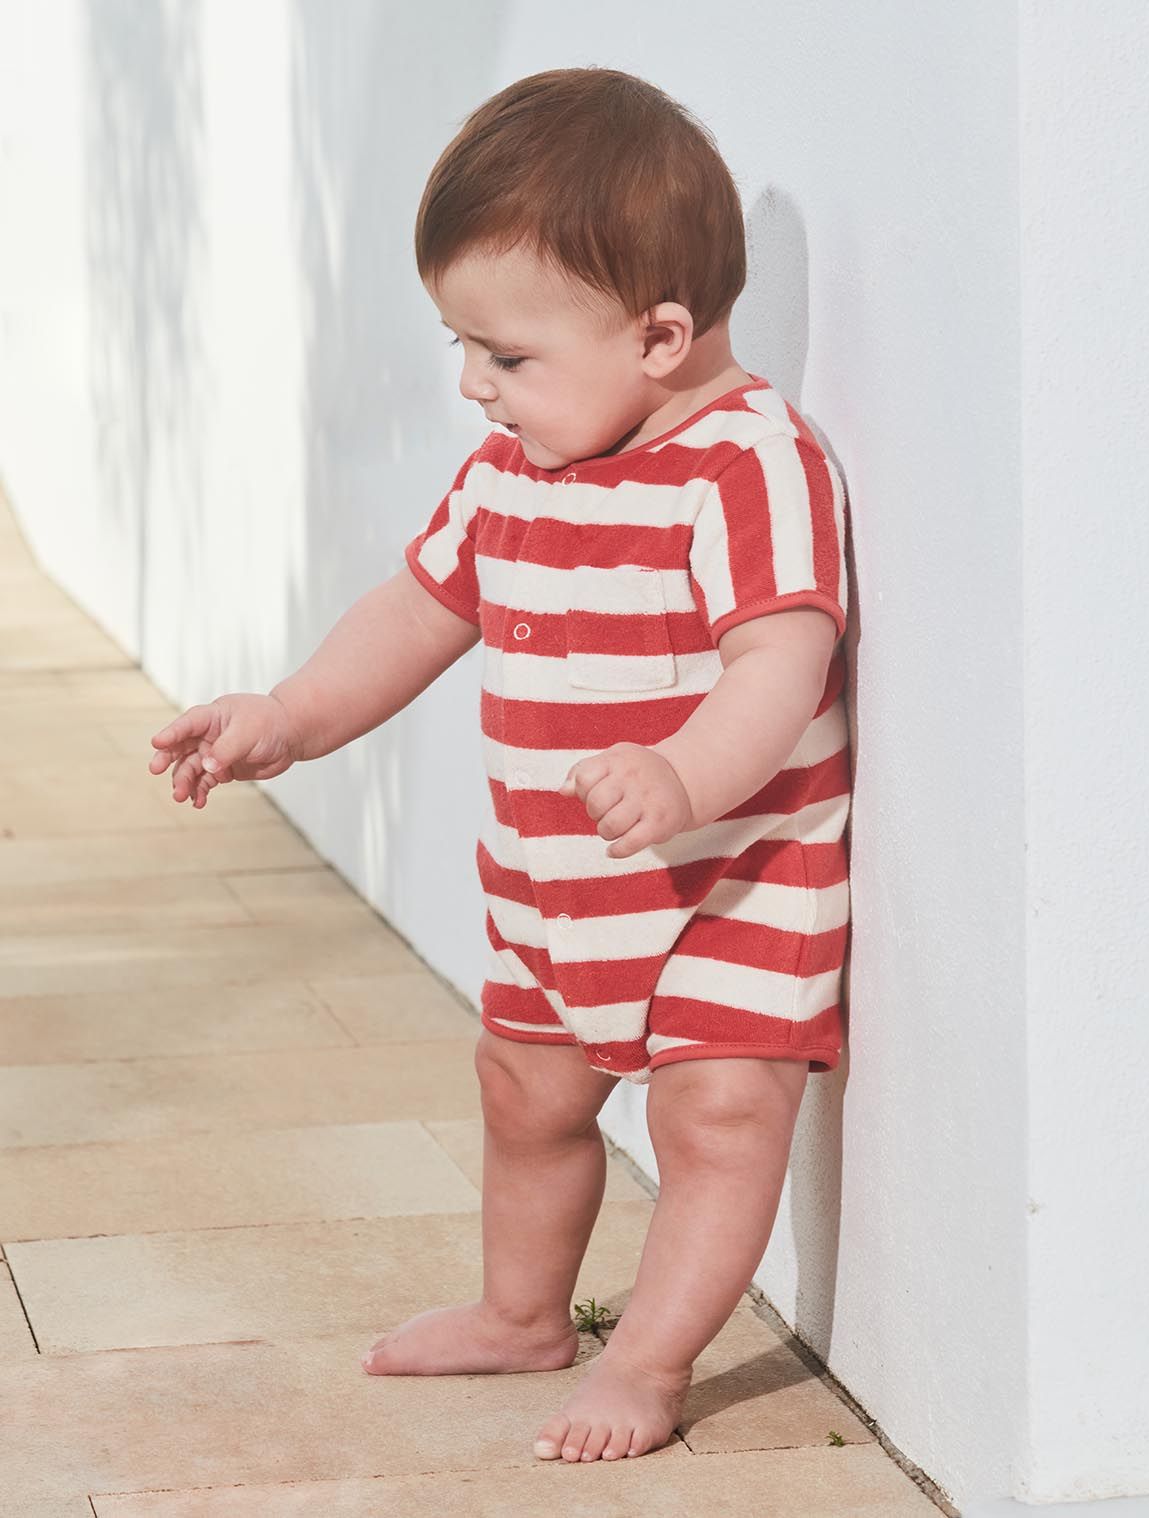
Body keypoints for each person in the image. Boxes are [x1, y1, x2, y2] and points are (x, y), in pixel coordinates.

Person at [147, 66, 851, 1466]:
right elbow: (417, 611)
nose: (474, 383)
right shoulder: (508, 473)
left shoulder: (747, 466)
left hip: (731, 881)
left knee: (719, 1113)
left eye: (508, 356)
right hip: (553, 885)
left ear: (660, 335)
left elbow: (784, 656)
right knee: (526, 1096)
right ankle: (523, 1312)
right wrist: (287, 714)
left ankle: (646, 1362)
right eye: (461, 344)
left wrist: (684, 775)